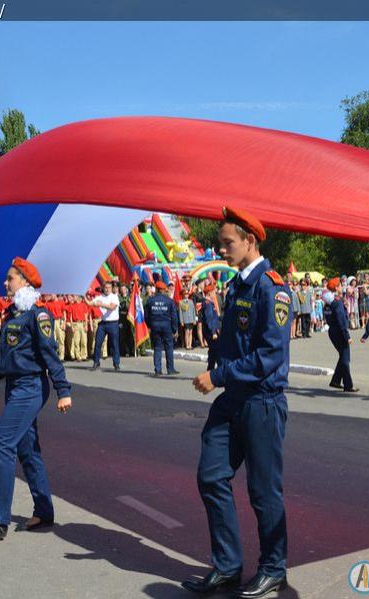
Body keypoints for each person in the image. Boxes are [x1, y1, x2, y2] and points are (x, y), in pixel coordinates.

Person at [185, 206, 290, 598]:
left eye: (228, 243)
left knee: (263, 492)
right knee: (211, 475)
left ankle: (273, 567)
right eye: (220, 243)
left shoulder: (272, 288)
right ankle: (228, 565)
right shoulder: (236, 286)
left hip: (262, 402)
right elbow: (232, 342)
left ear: (250, 240)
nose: (222, 250)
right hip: (232, 401)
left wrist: (217, 376)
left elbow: (270, 356)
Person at [0, 257, 72, 543]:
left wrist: (63, 391)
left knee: (2, 446)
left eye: (10, 279)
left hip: (30, 388)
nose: (5, 283)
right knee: (27, 450)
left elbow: (50, 354)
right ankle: (44, 510)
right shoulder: (11, 315)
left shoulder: (37, 316)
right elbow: (5, 358)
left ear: (25, 282)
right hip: (14, 387)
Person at [323, 279, 358, 393]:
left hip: (332, 331)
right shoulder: (337, 303)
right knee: (345, 358)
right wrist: (347, 336)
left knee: (343, 356)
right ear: (336, 288)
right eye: (339, 286)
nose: (341, 287)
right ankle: (348, 385)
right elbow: (341, 322)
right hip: (339, 331)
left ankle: (336, 380)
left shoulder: (329, 303)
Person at [144, 280, 179, 376]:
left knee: (157, 348)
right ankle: (170, 369)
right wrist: (175, 329)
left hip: (155, 326)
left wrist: (150, 325)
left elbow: (146, 315)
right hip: (166, 326)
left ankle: (158, 370)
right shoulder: (169, 301)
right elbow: (174, 316)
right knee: (169, 347)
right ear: (164, 290)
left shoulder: (150, 300)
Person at [86, 281, 121, 371]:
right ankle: (96, 362)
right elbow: (89, 303)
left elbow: (112, 307)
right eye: (106, 287)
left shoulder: (114, 297)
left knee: (114, 344)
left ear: (112, 288)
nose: (107, 289)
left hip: (113, 323)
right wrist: (83, 296)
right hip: (103, 323)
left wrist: (101, 304)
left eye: (109, 287)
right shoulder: (100, 297)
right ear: (103, 288)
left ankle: (116, 363)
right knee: (97, 342)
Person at [200, 282, 222, 371]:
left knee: (213, 351)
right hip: (210, 332)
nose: (215, 294)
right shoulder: (208, 304)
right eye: (213, 292)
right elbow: (209, 319)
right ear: (209, 293)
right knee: (216, 351)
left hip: (213, 330)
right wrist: (213, 332)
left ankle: (210, 370)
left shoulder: (210, 303)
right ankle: (217, 370)